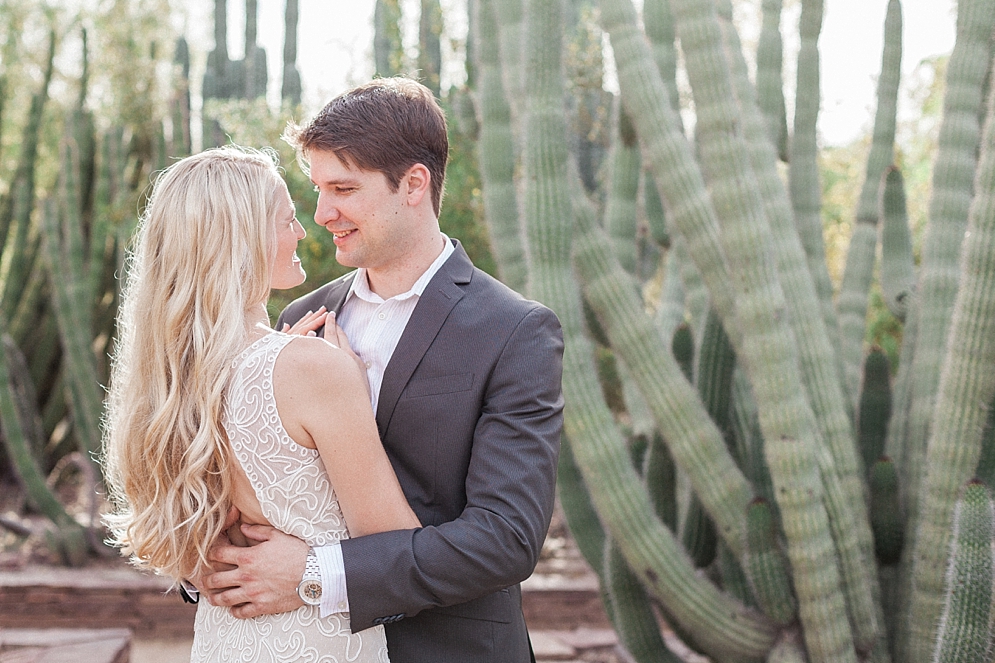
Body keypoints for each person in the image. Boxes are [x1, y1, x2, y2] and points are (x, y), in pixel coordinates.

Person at [200, 77, 565, 663]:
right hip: (312, 645)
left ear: (414, 184)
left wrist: (317, 573)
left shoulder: (515, 331)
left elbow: (506, 540)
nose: (321, 213)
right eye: (316, 189)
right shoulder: (300, 318)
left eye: (343, 188)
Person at [101, 146, 420, 662]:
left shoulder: (166, 377)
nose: (302, 231)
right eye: (287, 218)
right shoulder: (313, 368)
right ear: (240, 238)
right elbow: (399, 548)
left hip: (223, 641)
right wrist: (351, 388)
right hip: (320, 645)